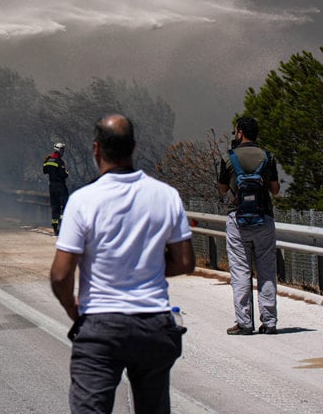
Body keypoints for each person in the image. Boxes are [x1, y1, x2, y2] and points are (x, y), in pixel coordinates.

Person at [50, 114, 194, 414]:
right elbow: (184, 262)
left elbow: (61, 274)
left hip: (101, 326)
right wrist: (147, 265)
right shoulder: (167, 196)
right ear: (133, 147)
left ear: (96, 149)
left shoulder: (82, 200)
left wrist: (72, 309)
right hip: (154, 323)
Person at [217, 116, 281, 335]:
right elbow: (275, 189)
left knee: (240, 272)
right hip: (264, 219)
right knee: (267, 271)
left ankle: (244, 323)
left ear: (240, 132)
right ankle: (269, 322)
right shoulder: (268, 157)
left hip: (238, 219)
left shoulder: (229, 157)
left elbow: (222, 189)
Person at [43, 142, 69, 235]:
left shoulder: (48, 160)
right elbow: (63, 175)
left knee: (55, 207)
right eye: (63, 150)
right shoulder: (59, 161)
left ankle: (55, 228)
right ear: (60, 150)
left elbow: (44, 171)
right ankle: (62, 226)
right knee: (64, 206)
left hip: (52, 187)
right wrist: (66, 173)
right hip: (60, 186)